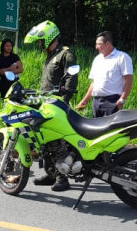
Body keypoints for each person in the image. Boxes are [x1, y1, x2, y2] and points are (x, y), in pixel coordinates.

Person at [24, 20, 78, 191]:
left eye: (41, 41)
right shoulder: (50, 55)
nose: (40, 45)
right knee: (45, 140)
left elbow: (71, 77)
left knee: (56, 141)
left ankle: (63, 178)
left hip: (57, 104)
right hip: (45, 103)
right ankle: (51, 174)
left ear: (49, 38)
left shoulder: (65, 54)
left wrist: (65, 97)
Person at [76, 31, 133, 117]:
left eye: (99, 44)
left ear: (108, 44)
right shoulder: (97, 59)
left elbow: (128, 80)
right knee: (97, 129)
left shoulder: (122, 57)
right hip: (96, 102)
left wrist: (122, 100)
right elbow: (94, 83)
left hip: (112, 102)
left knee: (111, 130)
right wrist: (85, 100)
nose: (96, 47)